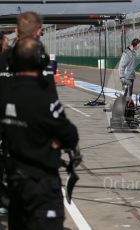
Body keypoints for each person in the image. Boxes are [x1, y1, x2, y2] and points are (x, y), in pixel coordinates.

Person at [0, 37, 79, 230]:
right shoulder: (45, 99)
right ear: (40, 61)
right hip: (41, 185)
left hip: (15, 184)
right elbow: (70, 135)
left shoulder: (5, 95)